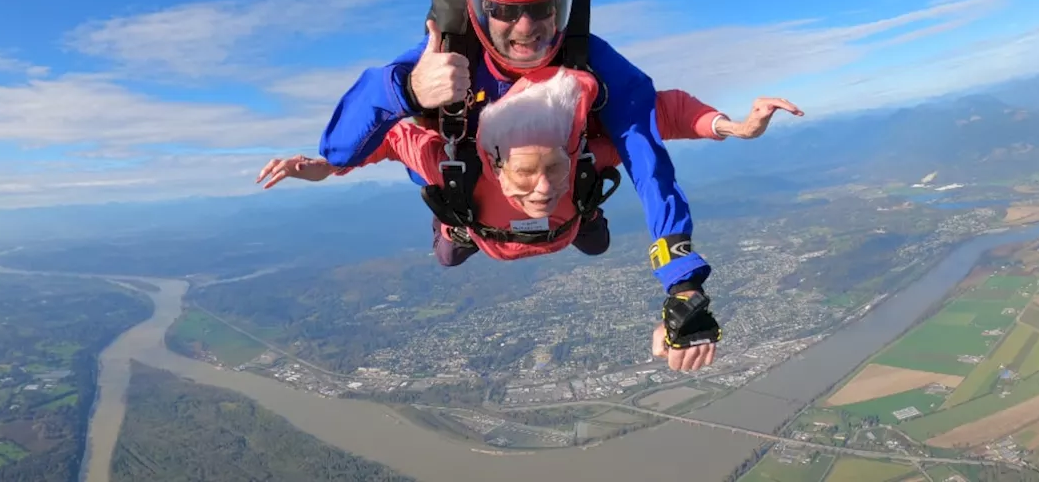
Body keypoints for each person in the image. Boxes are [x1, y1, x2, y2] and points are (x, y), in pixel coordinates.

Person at [264, 66, 796, 371]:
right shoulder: (449, 162)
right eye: (525, 174)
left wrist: (736, 127)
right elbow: (379, 143)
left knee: (594, 239)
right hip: (481, 231)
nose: (543, 188)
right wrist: (318, 165)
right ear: (493, 164)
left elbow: (664, 115)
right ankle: (453, 229)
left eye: (555, 168)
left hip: (565, 230)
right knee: (450, 253)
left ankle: (542, 222)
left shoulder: (590, 154)